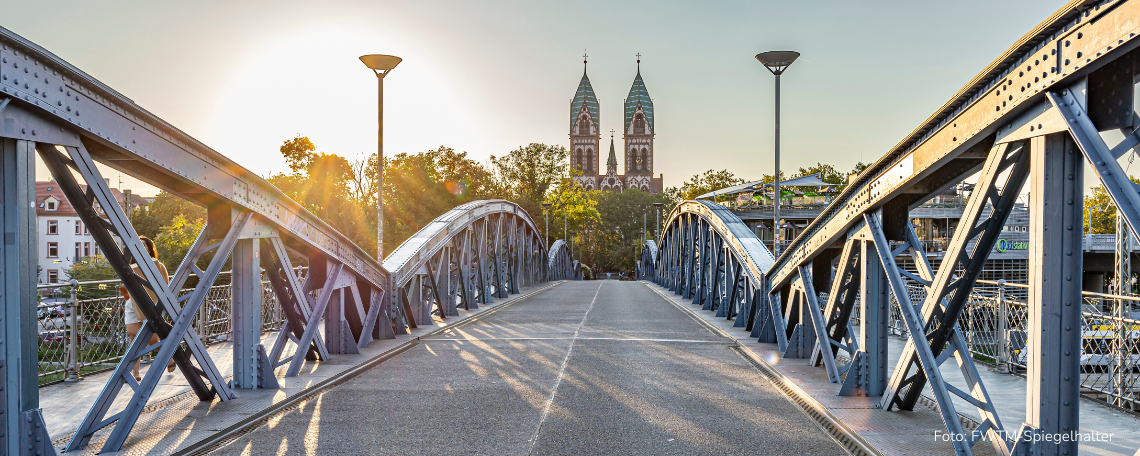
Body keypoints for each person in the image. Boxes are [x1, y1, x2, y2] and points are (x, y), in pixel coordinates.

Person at [119, 236, 175, 381]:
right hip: (132, 304)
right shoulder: (129, 267)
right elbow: (125, 287)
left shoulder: (158, 266)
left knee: (150, 341)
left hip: (150, 304)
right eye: (140, 245)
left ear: (150, 249)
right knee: (133, 335)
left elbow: (165, 286)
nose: (142, 247)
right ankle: (136, 373)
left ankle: (167, 359)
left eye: (145, 245)